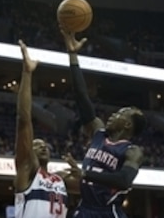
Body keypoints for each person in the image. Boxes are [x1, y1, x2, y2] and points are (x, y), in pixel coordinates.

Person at [60, 28, 146, 218]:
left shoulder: (132, 151)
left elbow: (124, 181)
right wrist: (72, 55)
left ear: (128, 125)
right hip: (84, 209)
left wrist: (85, 174)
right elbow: (81, 97)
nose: (113, 115)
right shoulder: (98, 132)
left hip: (108, 212)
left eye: (120, 114)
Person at [14, 40, 80, 218]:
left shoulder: (61, 179)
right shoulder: (27, 170)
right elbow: (23, 120)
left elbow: (92, 189)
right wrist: (27, 73)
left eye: (44, 144)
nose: (43, 146)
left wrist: (82, 173)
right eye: (36, 144)